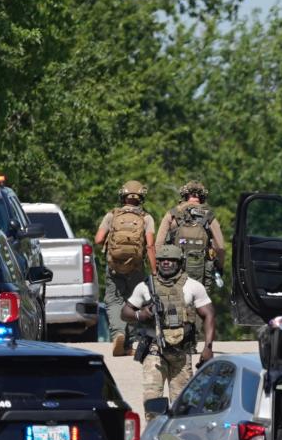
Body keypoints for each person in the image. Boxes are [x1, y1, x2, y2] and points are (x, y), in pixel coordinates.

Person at [121, 245, 215, 424]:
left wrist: (208, 348)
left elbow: (209, 314)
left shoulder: (193, 286)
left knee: (183, 405)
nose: (166, 263)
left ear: (180, 263)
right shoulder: (145, 286)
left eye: (170, 260)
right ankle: (153, 439)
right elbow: (125, 312)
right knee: (153, 402)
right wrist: (141, 314)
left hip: (181, 351)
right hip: (154, 350)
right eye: (162, 260)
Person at [95, 180, 158, 356]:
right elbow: (151, 246)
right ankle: (129, 344)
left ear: (122, 196)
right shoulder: (146, 218)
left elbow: (98, 239)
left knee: (114, 301)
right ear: (141, 197)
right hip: (136, 268)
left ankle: (118, 335)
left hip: (114, 266)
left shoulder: (112, 216)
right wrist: (154, 271)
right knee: (135, 302)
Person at [156, 180, 226, 289]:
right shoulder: (209, 216)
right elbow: (220, 248)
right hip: (200, 271)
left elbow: (159, 243)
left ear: (184, 195)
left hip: (175, 270)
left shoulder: (172, 214)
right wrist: (219, 267)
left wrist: (157, 266)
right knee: (199, 302)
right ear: (202, 197)